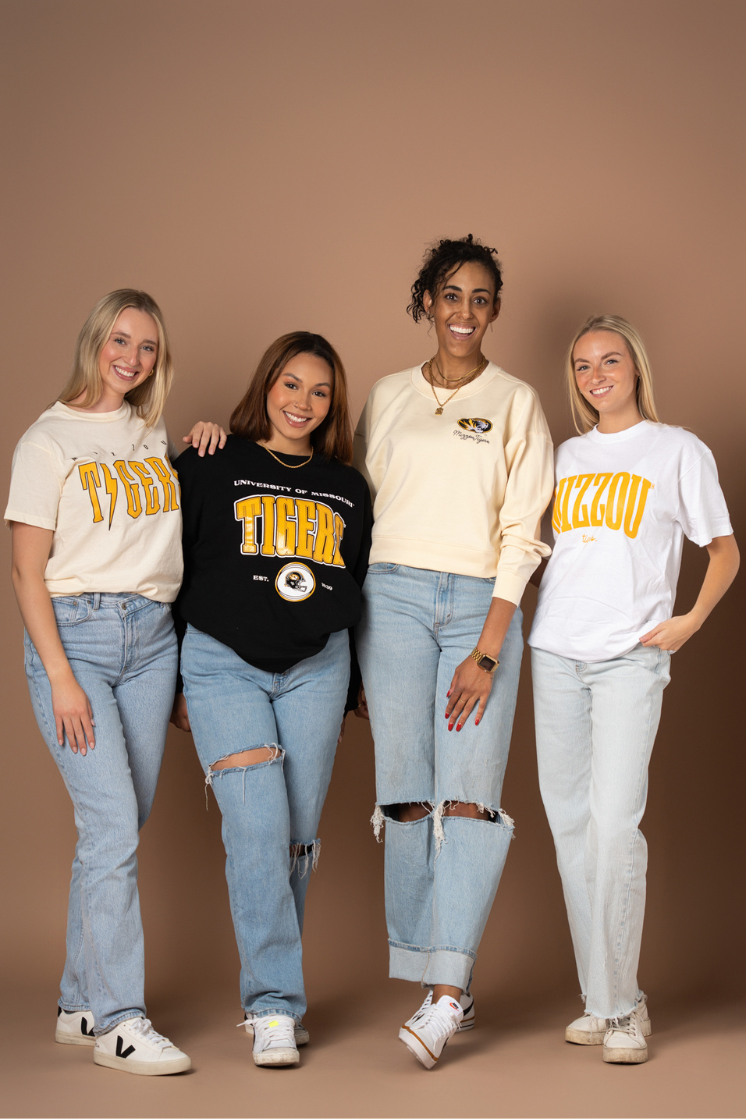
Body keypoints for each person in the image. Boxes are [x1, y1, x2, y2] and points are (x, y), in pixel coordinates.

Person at [7, 288, 226, 1076]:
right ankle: (122, 1022)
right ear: (95, 340)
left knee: (116, 828)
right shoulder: (46, 439)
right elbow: (26, 571)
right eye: (121, 342)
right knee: (108, 827)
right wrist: (62, 676)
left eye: (149, 349)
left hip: (152, 637)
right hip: (79, 640)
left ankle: (76, 997)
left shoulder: (146, 431)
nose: (132, 359)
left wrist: (196, 445)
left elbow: (148, 533)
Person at [353, 235, 554, 1068]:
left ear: (494, 310)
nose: (463, 310)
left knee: (467, 798)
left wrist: (491, 646)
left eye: (480, 297)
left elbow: (524, 530)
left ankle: (445, 993)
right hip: (388, 598)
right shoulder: (387, 395)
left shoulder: (517, 401)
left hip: (477, 601)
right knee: (405, 796)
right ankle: (437, 975)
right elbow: (352, 506)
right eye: (450, 295)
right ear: (426, 302)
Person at [529, 315, 739, 1064]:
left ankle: (621, 1013)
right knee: (571, 832)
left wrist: (690, 620)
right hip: (554, 652)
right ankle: (608, 997)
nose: (595, 375)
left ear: (635, 367)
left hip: (629, 657)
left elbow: (723, 549)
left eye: (609, 360)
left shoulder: (678, 449)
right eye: (583, 365)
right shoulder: (566, 453)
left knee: (616, 827)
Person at [170, 332, 371, 1068]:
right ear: (267, 384)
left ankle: (274, 988)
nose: (302, 403)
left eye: (319, 392)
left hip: (318, 666)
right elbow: (167, 562)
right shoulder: (208, 459)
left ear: (331, 404)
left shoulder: (347, 485)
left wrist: (354, 684)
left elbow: (357, 583)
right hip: (222, 663)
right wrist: (176, 684)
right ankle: (274, 1004)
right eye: (291, 384)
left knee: (294, 835)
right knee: (255, 827)